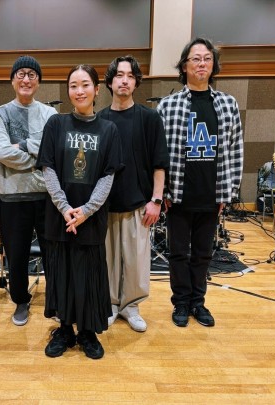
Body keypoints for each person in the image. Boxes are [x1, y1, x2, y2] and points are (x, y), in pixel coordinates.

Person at [37, 65, 123, 359]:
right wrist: (65, 208)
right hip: (60, 217)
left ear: (97, 89)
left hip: (91, 219)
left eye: (85, 84)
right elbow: (48, 169)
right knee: (62, 274)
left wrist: (86, 211)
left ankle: (87, 332)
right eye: (73, 85)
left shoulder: (109, 129)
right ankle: (64, 329)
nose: (79, 90)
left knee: (88, 275)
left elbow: (108, 175)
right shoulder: (56, 124)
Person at [156, 37, 243, 327]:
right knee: (178, 253)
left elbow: (235, 150)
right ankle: (181, 302)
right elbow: (159, 153)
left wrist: (229, 192)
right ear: (184, 66)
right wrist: (162, 191)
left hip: (212, 193)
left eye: (207, 58)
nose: (201, 63)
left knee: (204, 254)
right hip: (178, 194)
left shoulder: (228, 104)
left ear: (214, 65)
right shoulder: (168, 105)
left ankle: (198, 302)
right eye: (195, 59)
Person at [97, 55, 169, 333]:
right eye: (119, 75)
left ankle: (132, 306)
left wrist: (156, 201)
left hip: (139, 203)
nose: (124, 80)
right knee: (108, 260)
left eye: (129, 75)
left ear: (136, 82)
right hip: (105, 205)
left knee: (136, 261)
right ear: (110, 82)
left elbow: (159, 163)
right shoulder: (99, 119)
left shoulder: (150, 118)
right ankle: (111, 304)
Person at [0, 56, 57, 326]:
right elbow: (3, 153)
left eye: (32, 75)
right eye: (21, 74)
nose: (26, 79)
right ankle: (20, 300)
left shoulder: (50, 115)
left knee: (53, 253)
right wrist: (36, 153)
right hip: (12, 196)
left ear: (38, 81)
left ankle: (56, 301)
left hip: (46, 195)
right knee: (16, 254)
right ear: (12, 80)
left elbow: (52, 150)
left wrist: (23, 145)